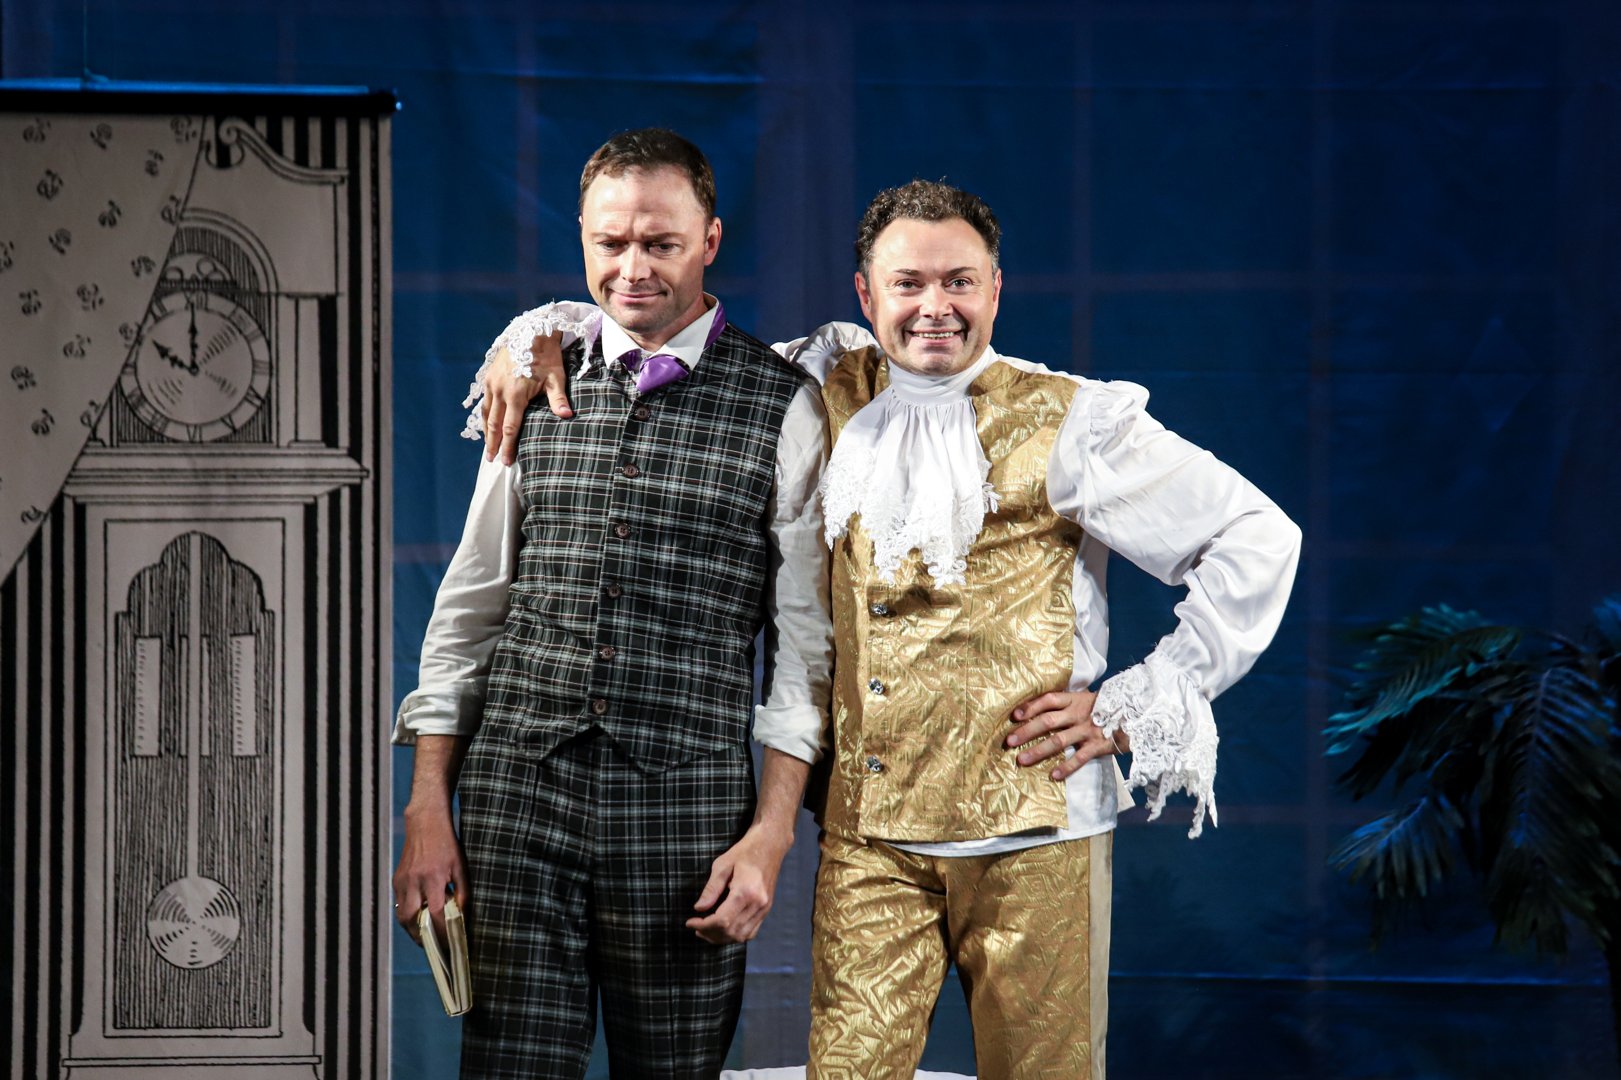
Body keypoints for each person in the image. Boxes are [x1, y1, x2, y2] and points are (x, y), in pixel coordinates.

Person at [475, 180, 1302, 1080]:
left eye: (958, 282)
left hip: (1034, 839)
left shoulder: (1072, 420)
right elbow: (667, 326)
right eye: (908, 284)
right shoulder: (824, 382)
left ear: (994, 290)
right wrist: (536, 334)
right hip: (869, 839)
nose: (933, 306)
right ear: (866, 296)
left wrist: (1129, 706)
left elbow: (1254, 536)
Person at [391, 128, 832, 1080]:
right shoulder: (531, 376)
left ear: (710, 240)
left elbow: (805, 651)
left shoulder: (785, 406)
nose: (632, 269)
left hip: (687, 813)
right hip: (517, 797)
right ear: (583, 237)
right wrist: (426, 805)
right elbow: (470, 607)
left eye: (660, 244)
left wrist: (769, 837)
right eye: (610, 242)